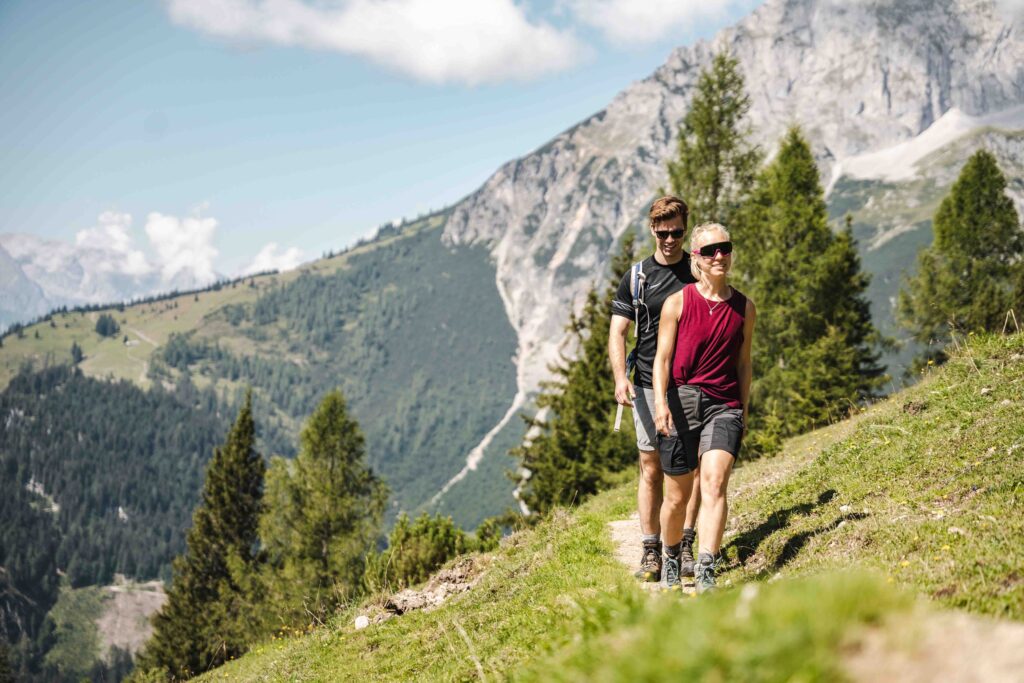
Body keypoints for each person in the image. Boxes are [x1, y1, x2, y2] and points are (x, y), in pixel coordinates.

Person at [652, 222, 755, 592]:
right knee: (677, 497)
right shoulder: (678, 303)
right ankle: (671, 556)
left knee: (714, 483)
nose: (720, 256)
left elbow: (744, 363)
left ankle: (708, 567)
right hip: (681, 401)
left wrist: (742, 409)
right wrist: (660, 404)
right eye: (711, 251)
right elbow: (662, 360)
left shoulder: (745, 307)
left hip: (724, 405)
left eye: (725, 248)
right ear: (696, 257)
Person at [609, 196, 699, 584]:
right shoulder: (637, 277)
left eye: (677, 232)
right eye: (663, 233)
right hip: (646, 383)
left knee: (691, 470)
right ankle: (651, 550)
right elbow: (618, 331)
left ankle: (686, 545)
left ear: (685, 229)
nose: (670, 240)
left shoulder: (698, 270)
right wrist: (619, 378)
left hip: (693, 381)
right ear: (652, 230)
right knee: (651, 467)